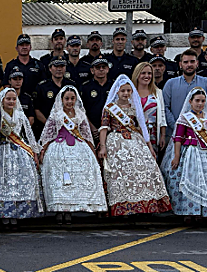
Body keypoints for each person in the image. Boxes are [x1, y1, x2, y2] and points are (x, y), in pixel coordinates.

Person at [97, 76, 172, 217]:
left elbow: (142, 127)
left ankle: (143, 205)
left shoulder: (134, 107)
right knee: (120, 172)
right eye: (123, 91)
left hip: (134, 139)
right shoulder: (109, 108)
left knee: (145, 168)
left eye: (128, 91)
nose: (126, 93)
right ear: (116, 92)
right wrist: (103, 146)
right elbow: (104, 127)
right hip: (116, 141)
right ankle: (123, 205)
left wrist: (149, 146)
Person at [38, 86, 108, 222]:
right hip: (59, 148)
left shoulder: (80, 114)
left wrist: (92, 151)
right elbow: (48, 133)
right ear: (61, 99)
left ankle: (71, 209)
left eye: (72, 98)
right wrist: (43, 150)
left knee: (76, 178)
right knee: (60, 179)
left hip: (79, 147)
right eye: (67, 99)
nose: (69, 101)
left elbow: (86, 134)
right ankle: (59, 209)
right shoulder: (56, 114)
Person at [165, 88, 207, 219]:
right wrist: (176, 156)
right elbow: (178, 138)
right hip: (191, 153)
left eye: (202, 101)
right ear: (190, 102)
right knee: (192, 180)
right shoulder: (185, 118)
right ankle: (189, 212)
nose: (200, 104)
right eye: (197, 100)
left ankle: (203, 212)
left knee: (206, 182)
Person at [0, 87, 45, 226]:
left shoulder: (20, 115)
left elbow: (29, 134)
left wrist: (34, 152)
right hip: (3, 151)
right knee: (5, 182)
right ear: (2, 100)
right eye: (8, 99)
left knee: (20, 180)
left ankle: (18, 213)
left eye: (13, 99)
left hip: (19, 151)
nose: (11, 101)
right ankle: (5, 214)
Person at [162, 49, 207, 131]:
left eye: (192, 61)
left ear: (197, 63)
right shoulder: (170, 83)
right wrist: (176, 125)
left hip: (200, 132)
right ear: (180, 64)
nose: (189, 65)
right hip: (174, 131)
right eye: (186, 62)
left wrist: (200, 125)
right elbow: (164, 107)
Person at [132, 62, 167, 158]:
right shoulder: (130, 93)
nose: (147, 76)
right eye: (143, 73)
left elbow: (162, 115)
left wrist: (163, 135)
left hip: (153, 134)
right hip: (136, 133)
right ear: (137, 74)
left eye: (149, 73)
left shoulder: (158, 92)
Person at [32, 58, 67, 138]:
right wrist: (49, 125)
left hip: (68, 128)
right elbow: (36, 109)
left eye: (62, 66)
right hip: (45, 129)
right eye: (56, 66)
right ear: (50, 69)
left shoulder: (71, 85)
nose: (59, 69)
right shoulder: (42, 87)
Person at [79, 57, 114, 131]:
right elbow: (81, 110)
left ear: (107, 69)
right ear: (92, 70)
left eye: (103, 67)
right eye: (98, 67)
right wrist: (91, 128)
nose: (101, 69)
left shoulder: (114, 86)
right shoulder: (85, 87)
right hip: (90, 128)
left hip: (111, 128)